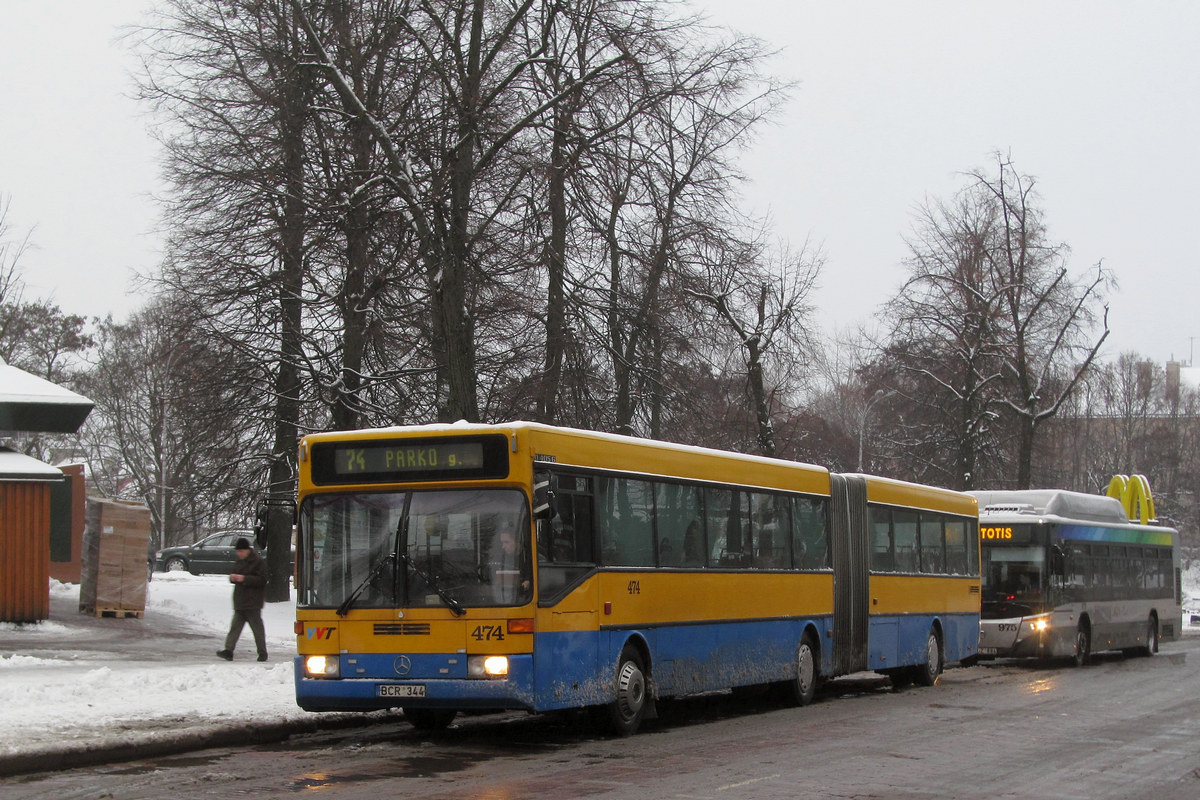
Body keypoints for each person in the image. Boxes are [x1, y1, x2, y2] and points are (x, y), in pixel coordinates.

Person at [216, 537, 269, 662]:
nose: (239, 554)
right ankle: (228, 651)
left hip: (252, 602)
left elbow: (262, 580)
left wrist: (244, 579)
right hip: (240, 602)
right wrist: (232, 578)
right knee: (235, 628)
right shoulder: (240, 561)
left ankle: (262, 652)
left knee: (257, 630)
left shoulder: (258, 562)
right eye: (238, 551)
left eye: (241, 551)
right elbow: (234, 574)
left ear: (247, 550)